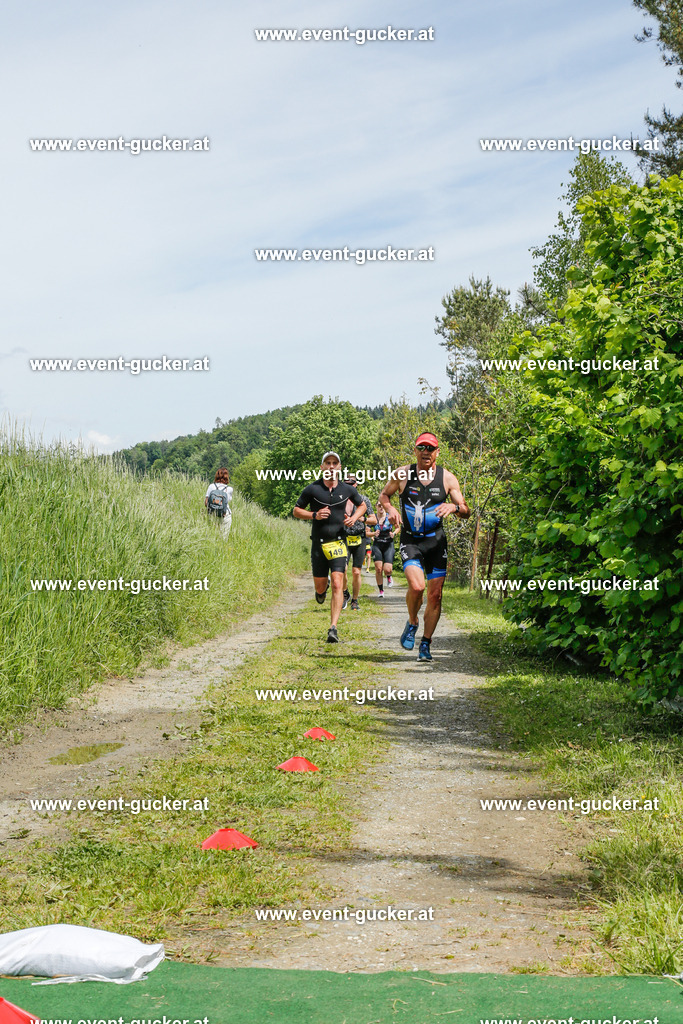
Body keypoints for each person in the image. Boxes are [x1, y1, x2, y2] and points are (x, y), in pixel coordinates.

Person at [378, 432, 470, 661]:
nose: (426, 452)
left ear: (438, 452)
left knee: (435, 595)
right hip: (411, 540)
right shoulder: (402, 474)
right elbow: (384, 495)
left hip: (436, 543)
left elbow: (466, 510)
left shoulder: (448, 479)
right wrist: (390, 509)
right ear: (416, 450)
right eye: (422, 447)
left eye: (431, 448)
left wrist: (454, 508)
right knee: (418, 587)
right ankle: (412, 621)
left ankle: (426, 644)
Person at [293, 452, 367, 643]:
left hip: (339, 542)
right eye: (328, 463)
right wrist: (314, 515)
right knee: (321, 587)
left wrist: (354, 518)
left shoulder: (347, 490)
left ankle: (333, 628)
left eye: (335, 463)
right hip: (319, 543)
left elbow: (363, 506)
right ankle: (320, 589)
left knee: (337, 582)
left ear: (340, 467)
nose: (331, 466)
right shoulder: (312, 489)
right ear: (322, 467)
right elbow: (296, 510)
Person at [342, 474, 376, 610]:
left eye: (352, 484)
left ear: (356, 485)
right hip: (344, 537)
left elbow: (374, 520)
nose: (349, 486)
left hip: (359, 538)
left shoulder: (363, 500)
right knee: (341, 569)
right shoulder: (340, 499)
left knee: (356, 571)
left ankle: (355, 600)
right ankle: (345, 593)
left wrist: (363, 520)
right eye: (346, 484)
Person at [372, 506, 399, 597]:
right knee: (378, 569)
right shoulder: (373, 518)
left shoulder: (390, 517)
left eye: (382, 505)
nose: (381, 507)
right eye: (379, 505)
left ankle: (388, 576)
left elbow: (398, 527)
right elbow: (366, 531)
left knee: (388, 569)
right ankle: (381, 591)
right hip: (377, 544)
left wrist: (394, 533)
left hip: (388, 544)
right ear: (376, 507)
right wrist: (373, 534)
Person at [205, 468, 233, 539]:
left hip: (212, 514)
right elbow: (227, 502)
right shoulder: (229, 489)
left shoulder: (211, 486)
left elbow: (206, 503)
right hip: (225, 515)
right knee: (223, 539)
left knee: (212, 537)